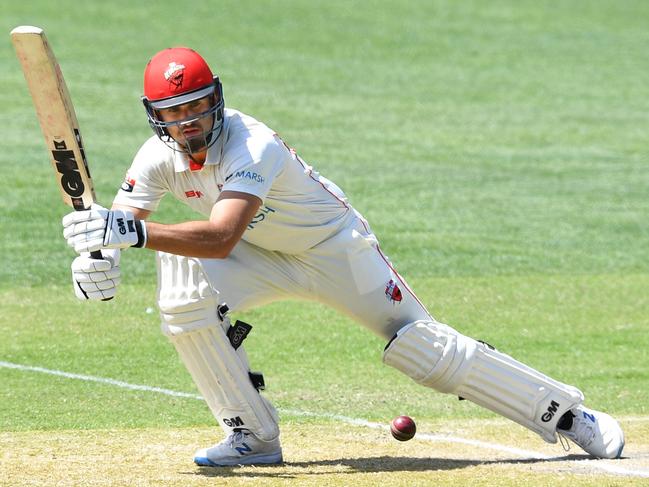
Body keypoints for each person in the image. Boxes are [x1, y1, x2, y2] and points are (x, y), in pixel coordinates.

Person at [61, 47, 625, 466]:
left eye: (200, 107)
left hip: (333, 249)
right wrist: (95, 257)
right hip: (259, 254)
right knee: (182, 291)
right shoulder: (156, 156)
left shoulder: (250, 144)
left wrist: (127, 235)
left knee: (423, 349)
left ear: (219, 101)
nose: (190, 123)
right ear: (155, 116)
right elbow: (122, 224)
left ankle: (571, 416)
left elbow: (219, 237)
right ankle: (253, 438)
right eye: (176, 112)